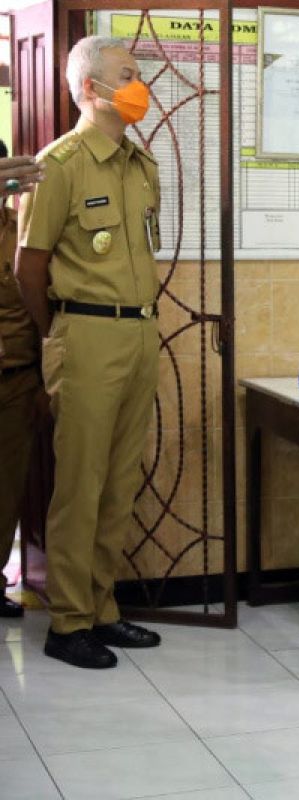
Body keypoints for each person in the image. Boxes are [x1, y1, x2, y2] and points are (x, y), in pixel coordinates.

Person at [15, 36, 163, 668]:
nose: (139, 86)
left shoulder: (140, 164)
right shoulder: (62, 164)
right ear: (89, 89)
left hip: (138, 333)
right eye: (126, 76)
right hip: (85, 334)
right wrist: (59, 335)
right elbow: (29, 267)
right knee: (80, 481)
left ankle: (102, 608)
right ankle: (68, 621)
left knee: (119, 480)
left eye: (137, 74)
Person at [0, 140, 45, 619]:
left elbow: (36, 306)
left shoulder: (19, 233)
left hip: (16, 381)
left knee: (7, 489)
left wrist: (43, 379)